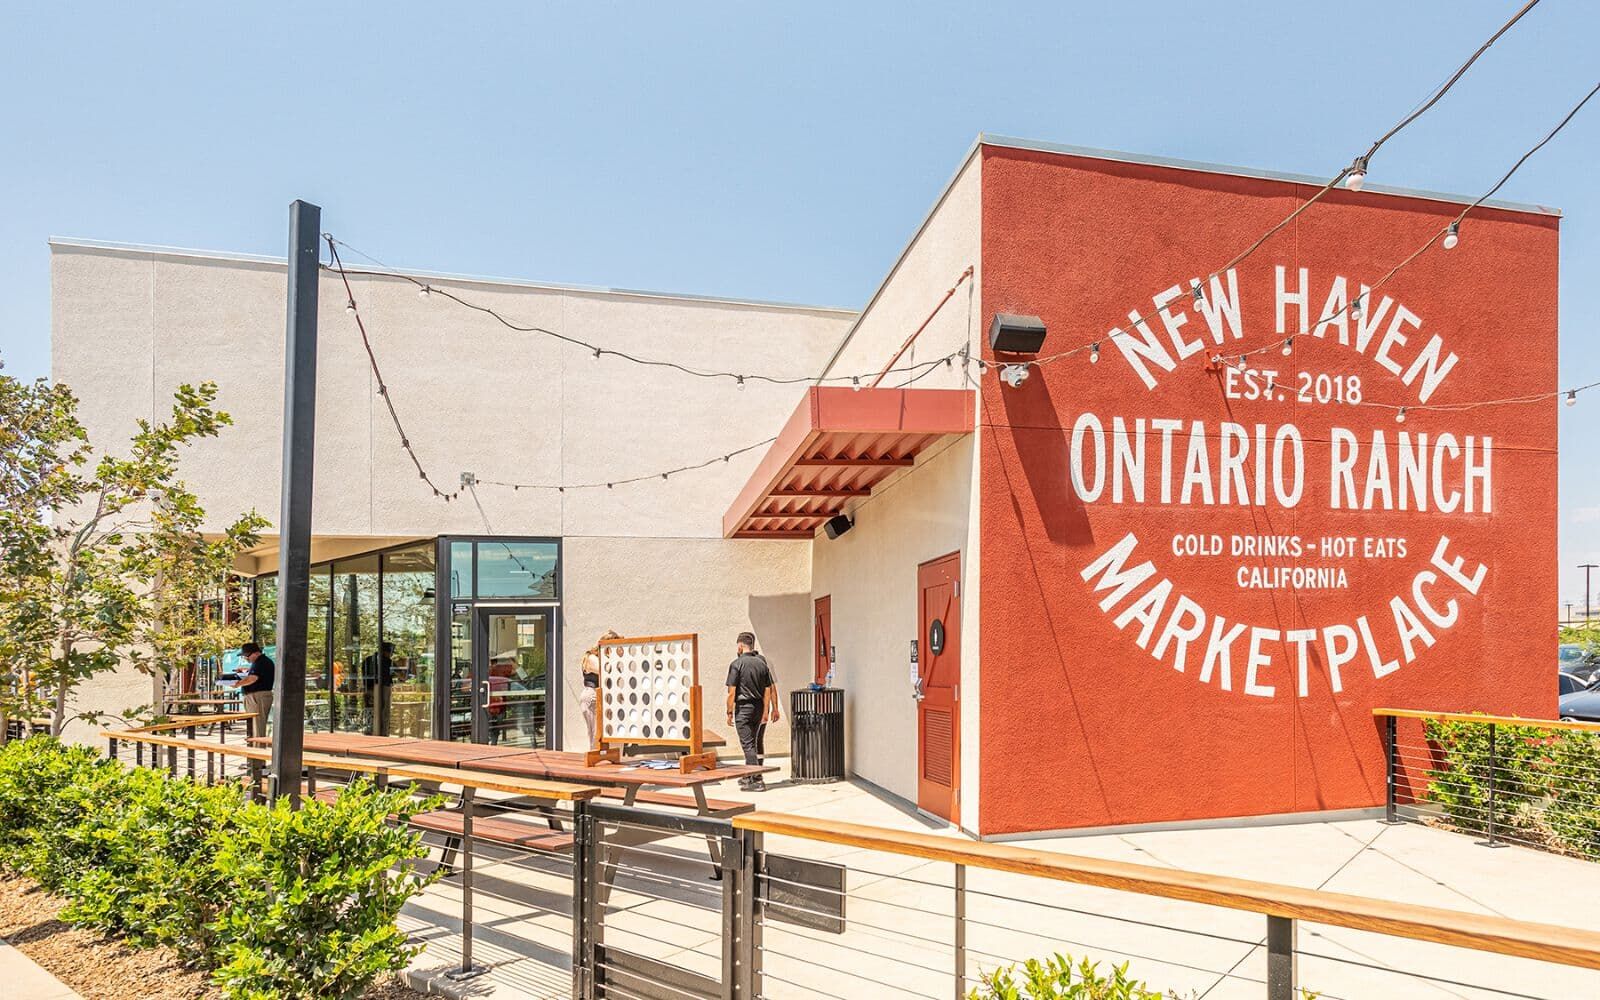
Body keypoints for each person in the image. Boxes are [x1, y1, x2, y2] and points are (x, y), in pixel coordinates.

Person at [725, 631, 779, 791]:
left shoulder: (736, 664)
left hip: (744, 708)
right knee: (753, 744)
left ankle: (756, 780)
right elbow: (768, 688)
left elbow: (731, 692)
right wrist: (767, 710)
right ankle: (749, 777)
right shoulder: (762, 663)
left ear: (741, 646)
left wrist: (729, 711)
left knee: (748, 745)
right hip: (758, 707)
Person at [580, 629, 621, 748]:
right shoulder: (591, 657)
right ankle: (594, 756)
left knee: (605, 731)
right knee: (595, 732)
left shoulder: (605, 659)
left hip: (604, 697)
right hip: (592, 695)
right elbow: (605, 671)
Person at [237, 642, 276, 741]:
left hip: (257, 697)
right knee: (254, 726)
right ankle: (255, 749)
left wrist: (237, 683)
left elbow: (252, 678)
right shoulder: (261, 662)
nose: (246, 658)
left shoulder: (261, 662)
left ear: (255, 653)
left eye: (246, 656)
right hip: (256, 697)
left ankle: (258, 751)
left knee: (257, 727)